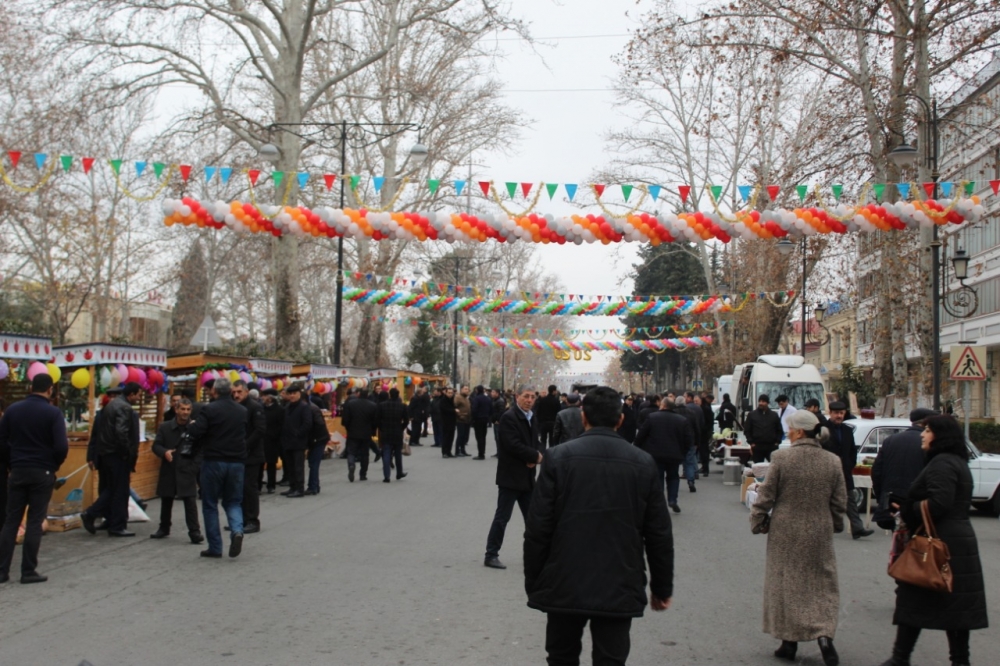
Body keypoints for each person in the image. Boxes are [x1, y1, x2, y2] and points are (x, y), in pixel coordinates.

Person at [524, 386, 674, 666]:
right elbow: (658, 533)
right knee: (611, 659)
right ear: (620, 420)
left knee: (561, 656)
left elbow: (537, 528)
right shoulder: (643, 463)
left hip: (564, 579)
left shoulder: (557, 458)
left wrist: (534, 580)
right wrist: (662, 588)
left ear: (584, 418)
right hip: (619, 579)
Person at [878, 415, 988, 666]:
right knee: (952, 607)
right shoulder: (955, 462)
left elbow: (939, 503)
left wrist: (908, 507)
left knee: (914, 597)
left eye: (927, 430)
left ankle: (900, 658)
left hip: (939, 543)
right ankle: (956, 661)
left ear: (940, 436)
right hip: (955, 542)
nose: (922, 434)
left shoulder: (942, 463)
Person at [750, 410, 846, 666]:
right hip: (819, 530)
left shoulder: (781, 458)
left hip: (786, 530)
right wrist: (836, 524)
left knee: (785, 583)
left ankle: (788, 641)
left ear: (800, 432)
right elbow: (839, 502)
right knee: (822, 582)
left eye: (790, 428)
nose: (788, 432)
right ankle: (824, 635)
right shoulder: (832, 461)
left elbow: (766, 495)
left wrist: (758, 521)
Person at [0, 374, 68, 584]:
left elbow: (2, 442)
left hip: (18, 470)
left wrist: (11, 463)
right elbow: (61, 446)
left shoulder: (12, 410)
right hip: (42, 472)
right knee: (34, 521)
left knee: (11, 521)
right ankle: (28, 571)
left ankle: (2, 571)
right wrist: (53, 464)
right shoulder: (53, 413)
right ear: (50, 390)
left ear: (31, 387)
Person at [185, 377, 248, 559]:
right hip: (237, 461)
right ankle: (237, 530)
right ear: (230, 391)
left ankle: (215, 547)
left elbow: (197, 432)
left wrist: (194, 426)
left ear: (214, 391)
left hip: (214, 460)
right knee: (234, 501)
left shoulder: (209, 409)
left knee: (210, 504)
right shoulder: (242, 411)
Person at [484, 385, 543, 570]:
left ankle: (535, 556)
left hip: (527, 477)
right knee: (502, 517)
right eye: (526, 396)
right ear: (517, 396)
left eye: (532, 397)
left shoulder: (532, 417)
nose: (529, 400)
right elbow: (512, 444)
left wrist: (538, 455)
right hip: (510, 477)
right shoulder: (509, 417)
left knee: (533, 519)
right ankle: (491, 554)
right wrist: (534, 457)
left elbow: (537, 442)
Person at [81, 382, 142, 537]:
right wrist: (127, 452)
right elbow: (121, 432)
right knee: (118, 490)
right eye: (138, 394)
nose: (139, 397)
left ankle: (107, 519)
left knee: (111, 489)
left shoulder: (110, 407)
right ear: (132, 394)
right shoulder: (124, 407)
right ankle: (100, 517)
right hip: (117, 455)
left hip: (107, 455)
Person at [871, 408, 937, 530]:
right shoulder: (929, 443)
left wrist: (883, 498)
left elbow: (876, 472)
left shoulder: (891, 440)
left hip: (893, 502)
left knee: (898, 542)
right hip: (917, 505)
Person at [150, 398, 203, 543]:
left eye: (188, 409)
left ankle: (194, 532)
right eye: (182, 409)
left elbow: (201, 450)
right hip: (170, 467)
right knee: (166, 499)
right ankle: (164, 527)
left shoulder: (195, 427)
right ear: (176, 409)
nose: (185, 412)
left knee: (190, 501)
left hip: (187, 468)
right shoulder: (165, 427)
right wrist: (164, 452)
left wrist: (194, 467)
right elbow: (156, 445)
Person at [634, 394, 693, 513]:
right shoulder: (681, 420)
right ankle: (672, 500)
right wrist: (683, 452)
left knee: (658, 477)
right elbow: (688, 440)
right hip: (674, 455)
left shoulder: (652, 417)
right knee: (673, 477)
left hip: (655, 454)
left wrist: (638, 449)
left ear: (663, 405)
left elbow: (641, 435)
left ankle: (659, 502)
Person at [823, 401, 873, 539]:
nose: (839, 416)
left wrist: (850, 464)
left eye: (841, 413)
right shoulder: (823, 429)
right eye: (836, 413)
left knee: (850, 499)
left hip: (845, 471)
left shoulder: (847, 430)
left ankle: (857, 528)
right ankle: (824, 528)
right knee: (825, 499)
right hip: (827, 471)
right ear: (830, 413)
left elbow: (852, 450)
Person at [232, 380, 265, 531]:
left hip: (251, 455)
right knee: (237, 488)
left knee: (249, 488)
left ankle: (252, 520)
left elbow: (259, 430)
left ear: (246, 392)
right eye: (234, 392)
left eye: (239, 392)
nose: (236, 395)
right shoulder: (234, 407)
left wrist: (245, 445)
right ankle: (240, 519)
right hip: (236, 454)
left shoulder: (255, 407)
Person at [280, 383, 311, 496]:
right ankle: (292, 487)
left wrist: (298, 434)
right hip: (287, 441)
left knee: (298, 467)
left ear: (299, 394)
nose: (292, 396)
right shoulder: (288, 406)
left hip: (298, 442)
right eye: (290, 393)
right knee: (290, 466)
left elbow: (307, 424)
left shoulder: (304, 406)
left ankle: (299, 488)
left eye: (294, 393)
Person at [341, 387, 378, 482]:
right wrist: (373, 431)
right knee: (365, 454)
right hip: (366, 433)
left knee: (351, 452)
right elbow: (375, 421)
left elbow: (345, 419)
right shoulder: (373, 405)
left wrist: (348, 428)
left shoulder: (350, 404)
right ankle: (363, 474)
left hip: (353, 432)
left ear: (358, 394)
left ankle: (351, 464)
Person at [376, 388, 409, 483]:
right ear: (398, 395)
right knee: (398, 453)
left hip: (386, 432)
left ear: (390, 395)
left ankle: (387, 476)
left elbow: (377, 419)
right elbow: (406, 420)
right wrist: (401, 427)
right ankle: (399, 473)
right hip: (397, 432)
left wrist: (382, 428)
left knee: (386, 453)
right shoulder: (402, 406)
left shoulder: (382, 405)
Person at [743, 395, 783, 464]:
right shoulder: (752, 415)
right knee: (758, 468)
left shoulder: (774, 415)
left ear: (767, 403)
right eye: (760, 401)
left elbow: (779, 430)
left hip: (771, 447)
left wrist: (777, 442)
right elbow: (747, 430)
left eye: (763, 401)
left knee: (774, 466)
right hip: (757, 447)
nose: (761, 403)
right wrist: (751, 443)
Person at [260, 389, 286, 493]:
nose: (262, 398)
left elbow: (282, 426)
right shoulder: (261, 409)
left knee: (271, 464)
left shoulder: (279, 410)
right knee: (260, 464)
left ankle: (271, 485)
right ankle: (258, 484)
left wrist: (275, 436)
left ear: (270, 398)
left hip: (273, 441)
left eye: (264, 396)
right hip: (261, 440)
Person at [306, 399, 330, 494]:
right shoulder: (312, 407)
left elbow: (319, 424)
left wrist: (313, 438)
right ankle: (315, 485)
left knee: (314, 463)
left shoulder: (311, 409)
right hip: (319, 438)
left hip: (318, 439)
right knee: (313, 462)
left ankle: (313, 486)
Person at [535, 384, 561, 449]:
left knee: (543, 439)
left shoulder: (542, 400)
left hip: (543, 423)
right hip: (553, 423)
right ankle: (551, 453)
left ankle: (543, 453)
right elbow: (559, 412)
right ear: (553, 391)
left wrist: (539, 421)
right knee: (552, 439)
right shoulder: (556, 401)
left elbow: (538, 411)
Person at [471, 385, 493, 459]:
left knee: (479, 437)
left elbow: (474, 409)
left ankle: (480, 454)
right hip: (485, 419)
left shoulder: (476, 399)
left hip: (478, 419)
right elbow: (491, 409)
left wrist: (473, 418)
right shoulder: (488, 399)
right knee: (483, 437)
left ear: (477, 390)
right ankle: (482, 452)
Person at [438, 387, 457, 458]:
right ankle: (444, 452)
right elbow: (445, 409)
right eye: (449, 393)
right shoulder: (443, 400)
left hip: (452, 422)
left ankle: (449, 451)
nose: (450, 394)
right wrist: (454, 410)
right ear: (445, 392)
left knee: (451, 438)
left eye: (451, 393)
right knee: (445, 437)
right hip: (445, 422)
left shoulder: (453, 400)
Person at [698, 393, 714, 476]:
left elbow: (708, 421)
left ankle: (705, 468)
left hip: (703, 433)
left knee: (704, 451)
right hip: (705, 432)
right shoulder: (706, 407)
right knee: (704, 451)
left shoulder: (704, 409)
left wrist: (704, 429)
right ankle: (704, 467)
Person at [454, 385, 472, 457]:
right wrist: (459, 414)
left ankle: (463, 450)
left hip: (467, 420)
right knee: (460, 435)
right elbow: (454, 406)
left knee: (464, 436)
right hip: (460, 420)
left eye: (467, 389)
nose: (467, 390)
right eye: (465, 389)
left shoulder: (466, 398)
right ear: (461, 389)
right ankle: (457, 451)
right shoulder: (458, 397)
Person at [490, 388, 507, 457]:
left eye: (493, 392)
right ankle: (498, 452)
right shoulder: (495, 400)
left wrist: (498, 420)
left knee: (499, 438)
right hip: (495, 421)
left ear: (497, 393)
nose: (491, 393)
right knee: (497, 438)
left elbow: (501, 411)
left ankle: (500, 453)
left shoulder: (500, 401)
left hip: (498, 422)